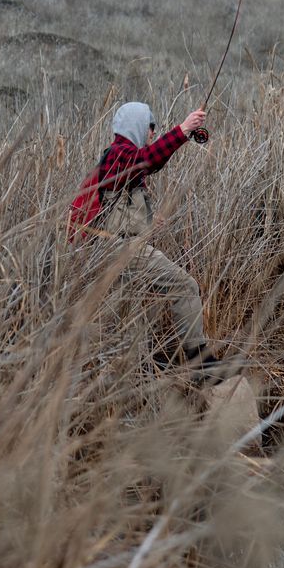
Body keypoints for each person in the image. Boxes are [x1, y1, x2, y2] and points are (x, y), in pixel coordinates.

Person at [77, 100, 217, 374]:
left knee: (126, 320)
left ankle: (129, 376)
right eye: (150, 126)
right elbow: (148, 160)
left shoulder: (120, 157)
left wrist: (150, 222)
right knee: (184, 286)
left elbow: (119, 206)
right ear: (137, 125)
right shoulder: (119, 154)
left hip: (111, 250)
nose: (153, 131)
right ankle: (200, 364)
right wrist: (183, 129)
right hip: (120, 249)